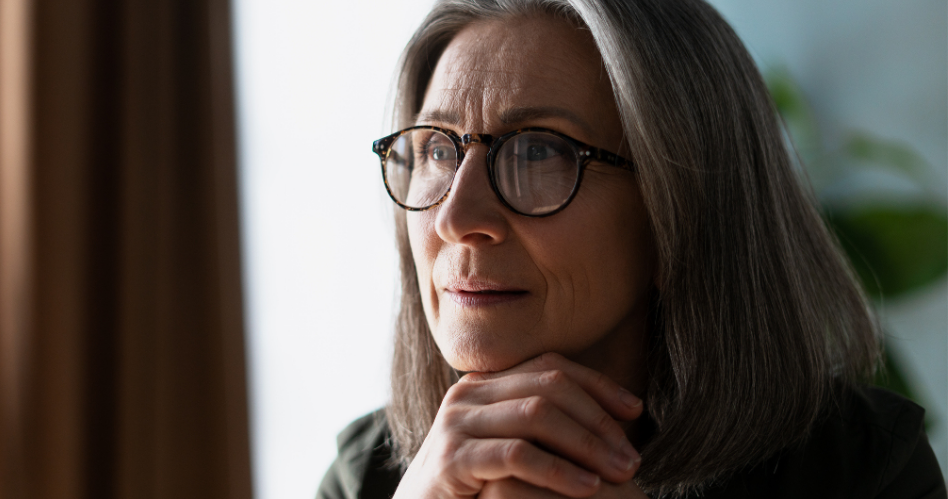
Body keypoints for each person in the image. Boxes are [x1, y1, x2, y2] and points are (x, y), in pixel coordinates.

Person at [318, 0, 947, 497]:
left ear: (678, 209)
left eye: (537, 151)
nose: (457, 218)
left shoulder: (866, 471)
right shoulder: (367, 476)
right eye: (436, 149)